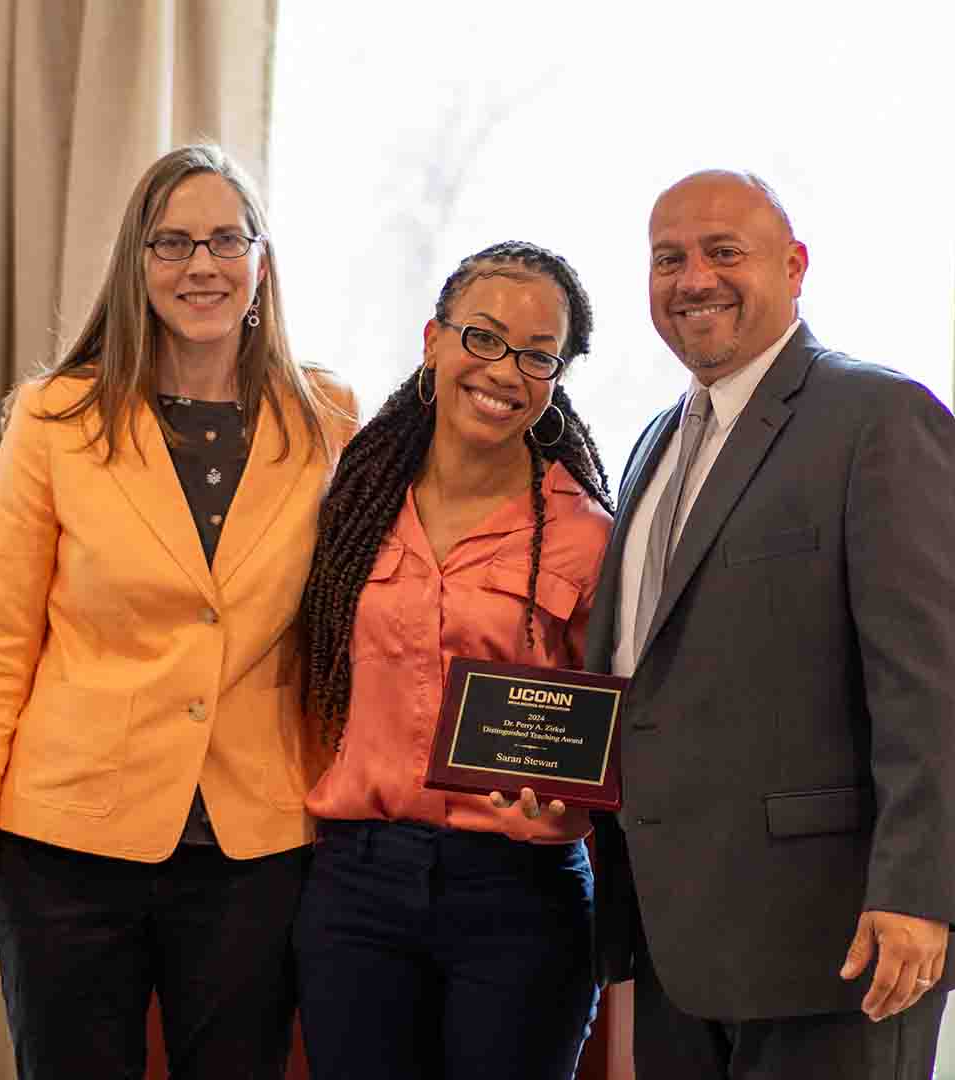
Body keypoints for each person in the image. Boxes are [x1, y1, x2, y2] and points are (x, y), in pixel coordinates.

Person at [0, 143, 355, 1079]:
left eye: (225, 240)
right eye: (172, 243)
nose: (202, 265)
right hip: (66, 847)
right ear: (138, 264)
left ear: (261, 262)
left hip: (256, 848)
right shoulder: (56, 418)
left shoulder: (330, 418)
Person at [581, 170, 955, 1078]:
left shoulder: (879, 417)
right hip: (679, 939)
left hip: (837, 940)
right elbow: (649, 671)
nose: (694, 279)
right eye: (668, 259)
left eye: (725, 252)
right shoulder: (655, 440)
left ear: (795, 266)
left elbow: (938, 683)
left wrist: (919, 895)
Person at [293, 241, 613, 1080]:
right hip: (356, 885)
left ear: (556, 379)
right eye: (483, 338)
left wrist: (571, 787)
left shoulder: (587, 536)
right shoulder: (353, 500)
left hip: (522, 893)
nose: (504, 371)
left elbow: (624, 723)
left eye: (538, 355)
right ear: (433, 338)